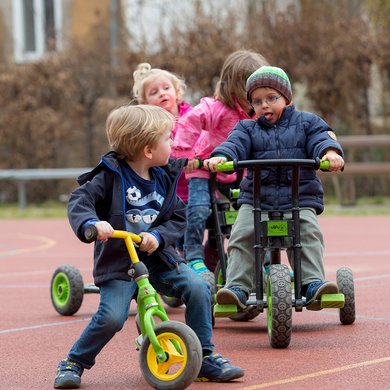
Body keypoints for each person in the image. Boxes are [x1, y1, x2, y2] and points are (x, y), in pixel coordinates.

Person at [53, 105, 244, 389]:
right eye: (167, 138)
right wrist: (92, 223)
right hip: (121, 262)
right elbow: (80, 201)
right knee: (112, 317)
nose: (173, 143)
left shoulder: (163, 178)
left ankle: (203, 356)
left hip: (157, 258)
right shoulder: (109, 177)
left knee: (198, 287)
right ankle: (74, 362)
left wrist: (159, 234)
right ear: (147, 150)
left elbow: (177, 217)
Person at [204, 65, 345, 311]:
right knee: (243, 233)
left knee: (308, 232)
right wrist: (221, 157)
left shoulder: (307, 123)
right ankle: (237, 287)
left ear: (287, 98)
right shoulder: (247, 128)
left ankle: (311, 283)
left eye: (272, 98)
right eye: (257, 101)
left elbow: (322, 138)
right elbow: (234, 144)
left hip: (299, 198)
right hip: (257, 200)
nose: (265, 105)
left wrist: (330, 152)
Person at [171, 50, 269, 278]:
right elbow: (190, 120)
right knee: (198, 210)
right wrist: (184, 154)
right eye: (247, 86)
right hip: (205, 168)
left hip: (238, 171)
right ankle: (193, 256)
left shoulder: (262, 113)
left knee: (255, 211)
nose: (252, 93)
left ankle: (263, 261)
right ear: (232, 85)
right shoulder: (218, 108)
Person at [132, 63, 192, 255]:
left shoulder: (193, 116)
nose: (162, 94)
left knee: (206, 224)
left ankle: (206, 258)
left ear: (177, 91)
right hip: (169, 191)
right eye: (154, 92)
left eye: (166, 88)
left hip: (198, 184)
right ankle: (183, 259)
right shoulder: (150, 127)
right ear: (145, 101)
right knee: (177, 230)